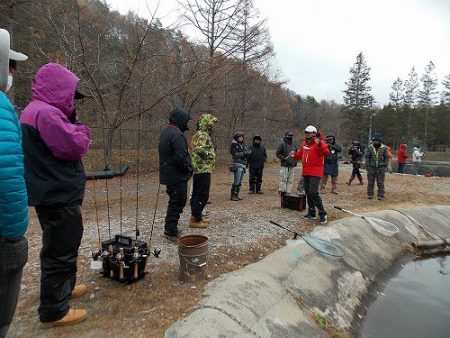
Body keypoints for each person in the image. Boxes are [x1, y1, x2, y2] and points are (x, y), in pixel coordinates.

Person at [20, 63, 91, 327]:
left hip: (52, 191)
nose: (73, 101)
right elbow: (74, 145)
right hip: (57, 193)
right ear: (60, 89)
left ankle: (65, 288)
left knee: (65, 243)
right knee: (59, 249)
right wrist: (82, 129)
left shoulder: (34, 110)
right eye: (72, 95)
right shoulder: (48, 114)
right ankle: (54, 310)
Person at [0, 28, 29, 338]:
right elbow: (6, 173)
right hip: (4, 233)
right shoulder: (2, 109)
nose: (12, 74)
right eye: (9, 66)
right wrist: (13, 235)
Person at [159, 108, 192, 239]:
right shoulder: (176, 134)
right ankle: (171, 230)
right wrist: (189, 167)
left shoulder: (166, 132)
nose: (187, 123)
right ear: (181, 120)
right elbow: (181, 156)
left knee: (175, 200)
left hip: (169, 173)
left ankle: (171, 228)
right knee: (178, 201)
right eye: (186, 121)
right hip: (176, 175)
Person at [292, 125, 330, 224]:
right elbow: (300, 155)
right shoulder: (305, 144)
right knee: (308, 193)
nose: (307, 134)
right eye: (306, 132)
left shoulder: (319, 143)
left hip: (316, 172)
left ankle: (323, 213)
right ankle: (311, 212)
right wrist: (294, 154)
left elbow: (326, 152)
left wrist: (320, 143)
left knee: (313, 192)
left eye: (309, 132)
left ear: (314, 133)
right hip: (306, 172)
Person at [189, 113, 217, 228]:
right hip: (202, 169)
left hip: (200, 169)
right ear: (207, 124)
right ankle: (195, 219)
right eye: (212, 123)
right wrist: (210, 154)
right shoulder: (203, 135)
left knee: (197, 193)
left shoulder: (199, 134)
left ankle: (196, 216)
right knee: (202, 194)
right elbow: (199, 149)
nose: (213, 126)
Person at [365, 133, 388, 200]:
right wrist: (367, 165)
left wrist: (385, 165)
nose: (375, 142)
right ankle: (370, 194)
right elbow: (367, 157)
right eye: (374, 140)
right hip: (371, 167)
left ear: (379, 141)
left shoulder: (384, 148)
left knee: (380, 182)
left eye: (376, 140)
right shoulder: (370, 147)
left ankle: (381, 195)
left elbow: (386, 157)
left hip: (381, 168)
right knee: (370, 182)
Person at [229, 131, 250, 201]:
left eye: (242, 137)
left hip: (243, 164)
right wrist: (244, 153)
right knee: (236, 181)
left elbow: (246, 152)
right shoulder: (233, 145)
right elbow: (235, 154)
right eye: (240, 137)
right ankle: (232, 196)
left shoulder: (243, 145)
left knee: (240, 182)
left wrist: (247, 153)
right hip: (237, 164)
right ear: (236, 137)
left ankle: (236, 194)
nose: (241, 138)